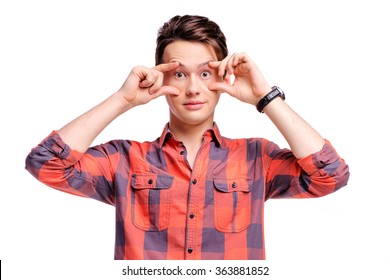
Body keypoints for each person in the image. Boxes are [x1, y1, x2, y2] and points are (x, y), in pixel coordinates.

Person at [25, 15, 350, 260]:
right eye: (179, 74)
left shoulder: (255, 158)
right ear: (160, 75)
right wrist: (122, 100)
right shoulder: (124, 159)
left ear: (223, 76)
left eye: (205, 73)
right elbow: (46, 164)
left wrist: (264, 96)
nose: (193, 88)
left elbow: (331, 175)